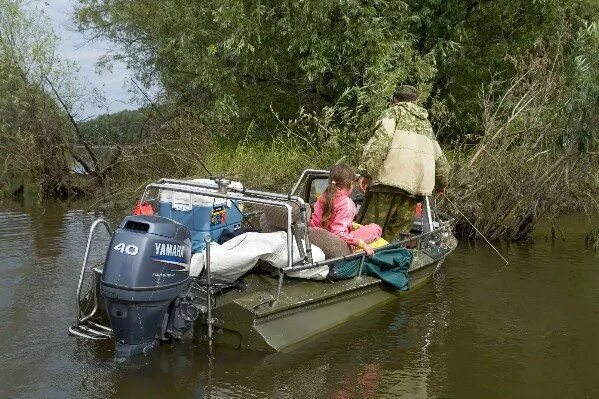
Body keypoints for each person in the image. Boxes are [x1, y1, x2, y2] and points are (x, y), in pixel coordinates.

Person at [357, 84, 449, 241]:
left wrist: (366, 173)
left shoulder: (391, 114)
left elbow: (379, 145)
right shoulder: (426, 125)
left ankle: (362, 262)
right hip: (412, 190)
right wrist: (442, 183)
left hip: (386, 184)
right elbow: (440, 159)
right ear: (416, 101)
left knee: (369, 232)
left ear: (394, 99)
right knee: (396, 238)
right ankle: (390, 262)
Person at [310, 164, 383, 256]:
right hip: (337, 245)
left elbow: (317, 223)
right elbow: (338, 233)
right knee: (375, 228)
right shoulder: (347, 203)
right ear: (350, 184)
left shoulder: (323, 197)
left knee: (358, 227)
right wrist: (361, 243)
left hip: (317, 239)